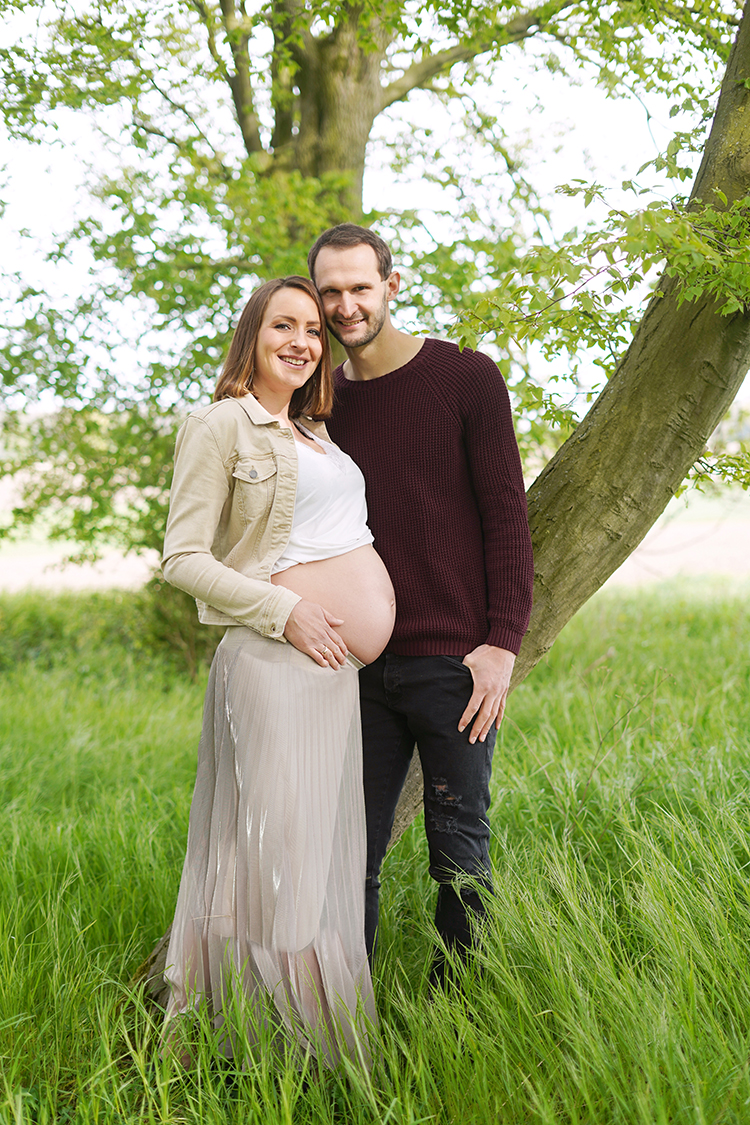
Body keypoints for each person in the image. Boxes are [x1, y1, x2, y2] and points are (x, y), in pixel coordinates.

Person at [160, 275, 395, 1067]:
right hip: (272, 661)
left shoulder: (318, 434)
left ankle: (263, 1044)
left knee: (307, 856)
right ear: (251, 338)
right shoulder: (222, 423)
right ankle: (306, 1051)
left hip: (330, 677)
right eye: (281, 326)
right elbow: (183, 558)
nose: (301, 341)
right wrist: (282, 610)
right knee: (273, 855)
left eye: (311, 329)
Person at [308, 225, 534, 981]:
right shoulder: (320, 401)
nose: (345, 305)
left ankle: (457, 1019)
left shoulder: (466, 377)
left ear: (391, 286)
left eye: (359, 288)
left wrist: (502, 643)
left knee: (460, 856)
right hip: (355, 670)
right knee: (349, 859)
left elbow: (507, 515)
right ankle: (344, 1019)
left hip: (454, 667)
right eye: (330, 291)